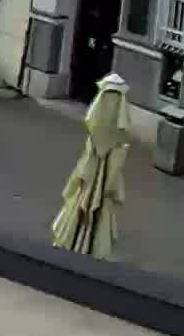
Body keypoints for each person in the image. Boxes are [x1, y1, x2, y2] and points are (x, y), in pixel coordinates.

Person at [53, 73, 133, 260]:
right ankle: (91, 243)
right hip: (103, 174)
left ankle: (78, 240)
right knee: (99, 203)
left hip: (93, 173)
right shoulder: (117, 146)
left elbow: (85, 168)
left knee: (85, 198)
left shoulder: (97, 142)